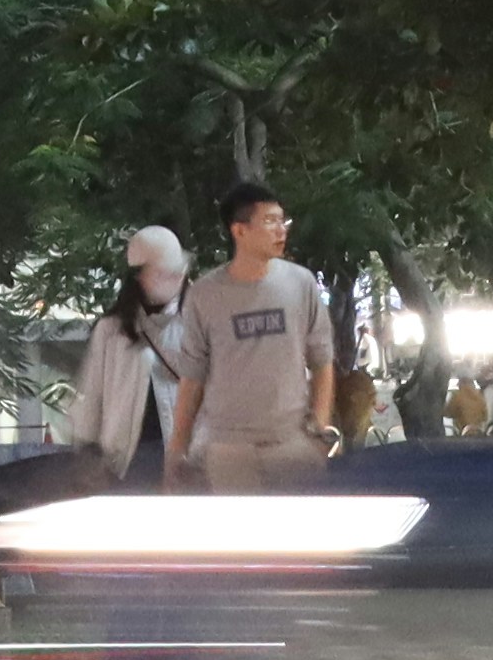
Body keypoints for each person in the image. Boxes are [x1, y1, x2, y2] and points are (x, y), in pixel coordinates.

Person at [177, 184, 346, 487]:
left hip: (292, 441)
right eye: (269, 221)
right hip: (228, 446)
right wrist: (176, 451)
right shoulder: (205, 293)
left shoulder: (300, 283)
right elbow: (192, 377)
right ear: (239, 231)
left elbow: (322, 358)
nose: (280, 230)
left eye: (283, 221)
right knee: (238, 533)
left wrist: (321, 428)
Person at [70, 226, 191, 481]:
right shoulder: (112, 330)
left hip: (187, 462)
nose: (173, 281)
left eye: (177, 274)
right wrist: (89, 448)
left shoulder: (197, 323)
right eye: (161, 273)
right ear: (139, 275)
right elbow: (93, 393)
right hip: (125, 464)